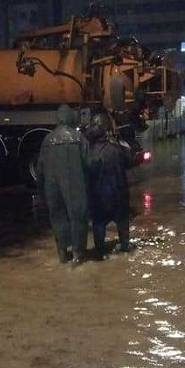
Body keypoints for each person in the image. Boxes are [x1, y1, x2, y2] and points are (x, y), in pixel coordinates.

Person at [36, 104, 90, 264]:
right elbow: (89, 163)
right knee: (77, 215)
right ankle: (78, 253)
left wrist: (41, 190)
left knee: (57, 215)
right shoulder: (79, 138)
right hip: (75, 184)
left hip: (52, 186)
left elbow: (40, 168)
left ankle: (62, 252)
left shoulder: (47, 140)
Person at [85, 111, 132, 259]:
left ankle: (100, 254)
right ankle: (125, 248)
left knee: (99, 224)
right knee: (122, 223)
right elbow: (130, 159)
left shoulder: (89, 152)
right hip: (119, 195)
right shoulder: (118, 148)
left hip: (99, 198)